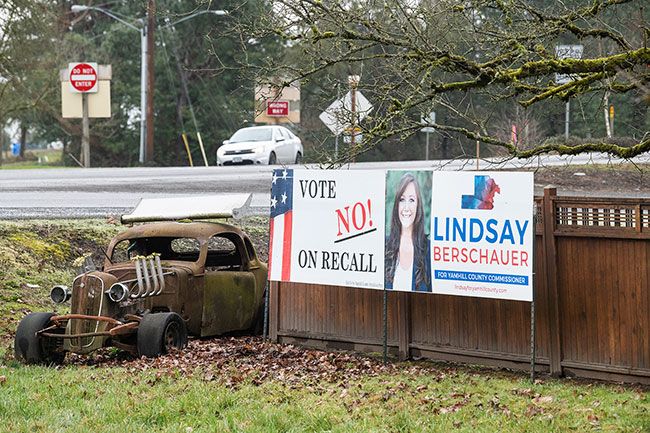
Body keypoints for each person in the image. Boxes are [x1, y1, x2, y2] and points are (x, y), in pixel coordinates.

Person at [385, 173, 431, 292]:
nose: (406, 207)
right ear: (396, 205)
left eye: (411, 200)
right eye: (402, 199)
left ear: (418, 205)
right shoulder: (384, 246)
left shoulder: (429, 250)